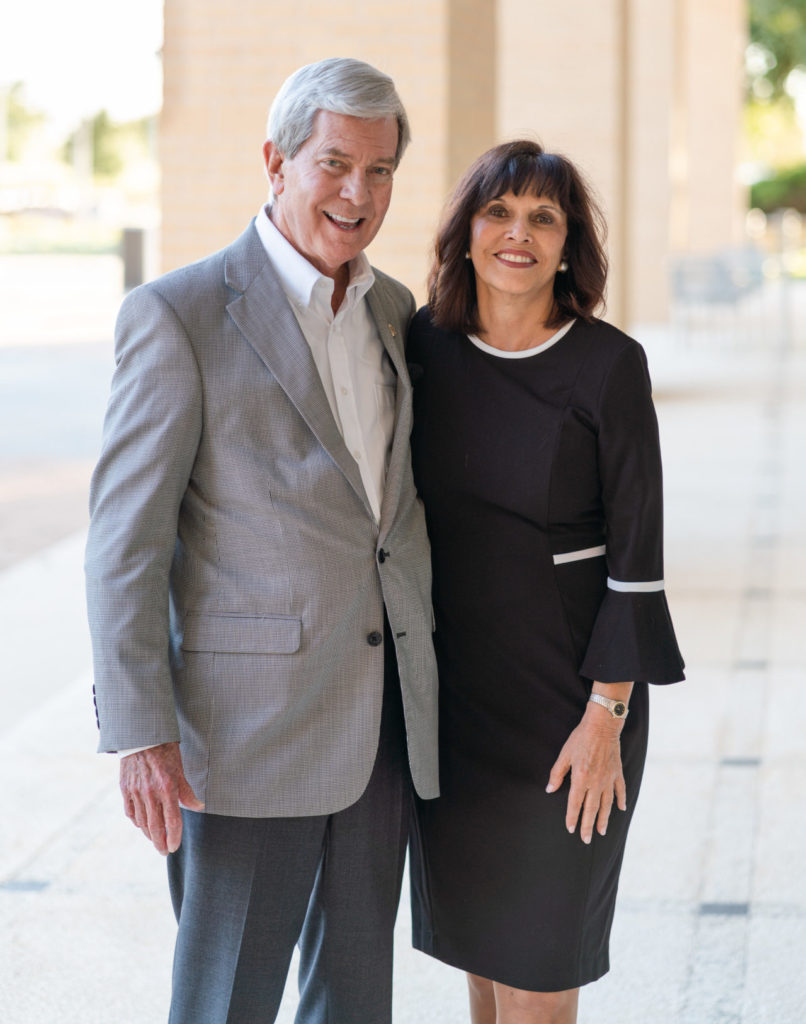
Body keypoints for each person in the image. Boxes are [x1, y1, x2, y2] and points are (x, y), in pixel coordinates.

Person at [84, 57, 439, 1024]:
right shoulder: (179, 316)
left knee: (356, 999)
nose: (357, 194)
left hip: (381, 728)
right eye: (335, 164)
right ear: (276, 161)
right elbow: (125, 543)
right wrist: (141, 730)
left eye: (380, 171)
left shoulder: (396, 313)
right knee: (226, 999)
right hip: (242, 739)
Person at [406, 140, 685, 1024]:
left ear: (570, 245)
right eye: (498, 212)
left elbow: (638, 559)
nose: (517, 234)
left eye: (543, 217)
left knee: (538, 964)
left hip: (569, 715)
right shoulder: (424, 348)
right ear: (466, 232)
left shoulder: (608, 364)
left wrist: (608, 715)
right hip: (453, 712)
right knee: (485, 970)